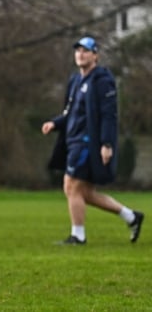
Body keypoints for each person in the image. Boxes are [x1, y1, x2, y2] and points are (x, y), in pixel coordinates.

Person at [42, 36, 144, 245]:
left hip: (88, 142)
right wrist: (55, 123)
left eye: (86, 50)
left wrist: (106, 144)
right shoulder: (75, 80)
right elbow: (71, 112)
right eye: (78, 50)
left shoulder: (103, 81)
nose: (80, 54)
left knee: (71, 186)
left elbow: (109, 115)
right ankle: (131, 216)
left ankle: (78, 236)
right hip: (73, 140)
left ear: (95, 55)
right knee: (85, 192)